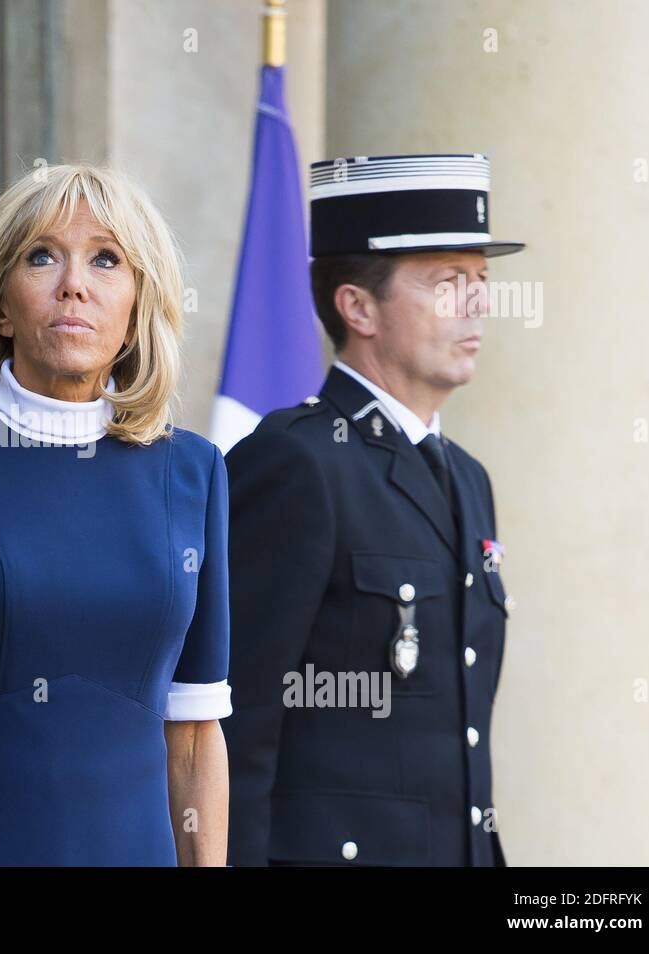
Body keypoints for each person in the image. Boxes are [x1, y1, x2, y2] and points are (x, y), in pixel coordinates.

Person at [0, 164, 230, 866]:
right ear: (0, 306)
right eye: (41, 256)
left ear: (135, 310)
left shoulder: (194, 472)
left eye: (106, 260)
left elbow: (194, 730)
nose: (74, 284)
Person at [223, 153, 523, 866]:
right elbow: (236, 721)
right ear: (357, 306)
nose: (477, 303)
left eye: (479, 279)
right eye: (447, 280)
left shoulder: (468, 479)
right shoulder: (296, 463)